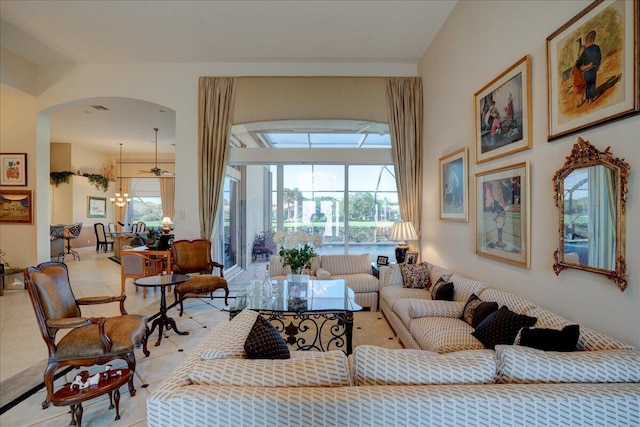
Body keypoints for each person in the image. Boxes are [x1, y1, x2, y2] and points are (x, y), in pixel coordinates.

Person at [577, 30, 601, 104]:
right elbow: (598, 58)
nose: (586, 43)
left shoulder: (584, 50)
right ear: (593, 40)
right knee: (592, 84)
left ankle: (587, 98)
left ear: (588, 41)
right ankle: (590, 98)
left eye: (586, 42)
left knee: (588, 85)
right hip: (592, 69)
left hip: (585, 71)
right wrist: (597, 65)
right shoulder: (596, 48)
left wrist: (582, 67)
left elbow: (580, 61)